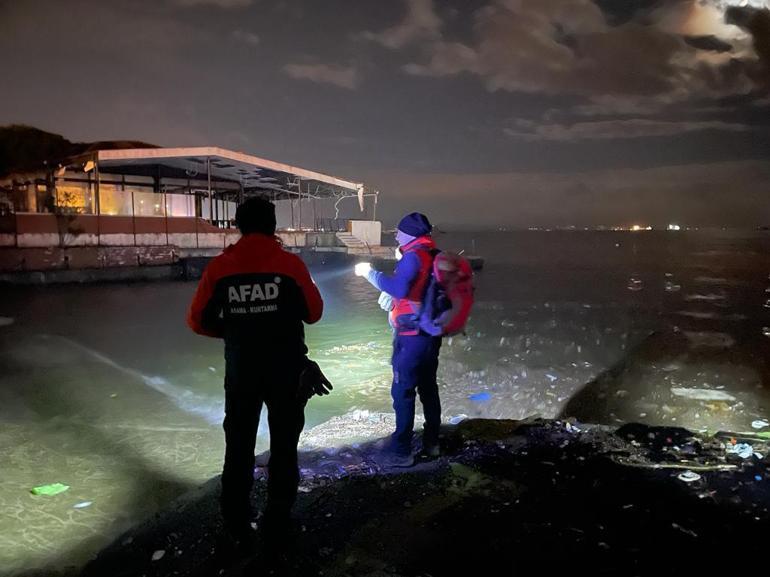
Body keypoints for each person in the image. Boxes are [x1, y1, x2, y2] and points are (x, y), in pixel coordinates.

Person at [187, 197, 331, 543]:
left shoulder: (220, 268)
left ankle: (236, 519)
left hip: (242, 372)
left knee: (238, 445)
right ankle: (278, 516)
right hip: (287, 372)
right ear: (272, 226)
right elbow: (314, 313)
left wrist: (234, 332)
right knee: (284, 445)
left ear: (238, 225)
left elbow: (196, 321)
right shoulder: (291, 265)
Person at [355, 212, 441, 467]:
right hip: (431, 333)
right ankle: (432, 443)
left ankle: (401, 451)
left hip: (410, 337)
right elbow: (419, 292)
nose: (394, 234)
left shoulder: (413, 257)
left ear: (410, 233)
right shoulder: (434, 255)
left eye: (398, 231)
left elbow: (399, 288)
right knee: (428, 388)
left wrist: (369, 273)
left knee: (403, 390)